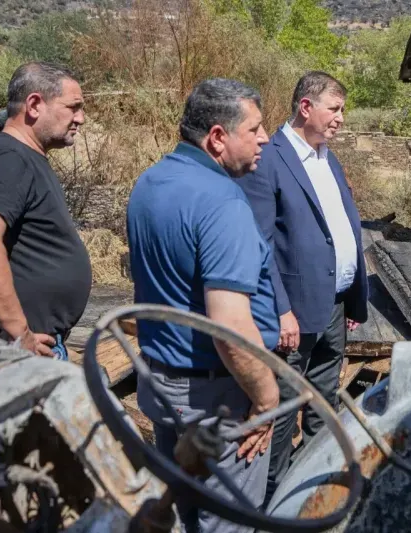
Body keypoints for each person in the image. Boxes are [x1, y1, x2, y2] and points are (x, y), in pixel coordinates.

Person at [126, 78, 280, 533]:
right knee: (226, 522)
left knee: (181, 509)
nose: (266, 138)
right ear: (217, 137)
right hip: (218, 398)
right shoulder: (222, 203)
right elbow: (229, 326)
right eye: (254, 129)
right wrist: (266, 399)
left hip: (162, 383)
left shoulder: (151, 181)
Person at [237, 70, 368, 504]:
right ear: (305, 107)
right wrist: (279, 309)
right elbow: (260, 243)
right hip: (293, 312)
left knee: (323, 403)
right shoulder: (269, 159)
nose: (341, 119)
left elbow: (338, 228)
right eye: (335, 109)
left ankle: (306, 492)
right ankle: (269, 498)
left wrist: (350, 295)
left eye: (343, 110)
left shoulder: (327, 157)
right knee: (285, 402)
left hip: (333, 308)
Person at [0, 62, 90, 360]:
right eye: (73, 107)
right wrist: (18, 332)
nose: (81, 118)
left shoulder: (25, 156)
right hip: (19, 353)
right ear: (35, 104)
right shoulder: (11, 158)